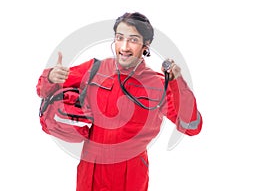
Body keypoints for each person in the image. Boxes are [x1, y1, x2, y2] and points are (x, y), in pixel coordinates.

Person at [36, 12, 202, 191]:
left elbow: (191, 126)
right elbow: (43, 92)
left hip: (129, 176)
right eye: (119, 37)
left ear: (146, 45)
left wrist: (177, 83)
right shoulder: (95, 69)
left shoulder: (158, 84)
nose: (124, 46)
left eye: (133, 39)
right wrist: (51, 77)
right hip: (91, 172)